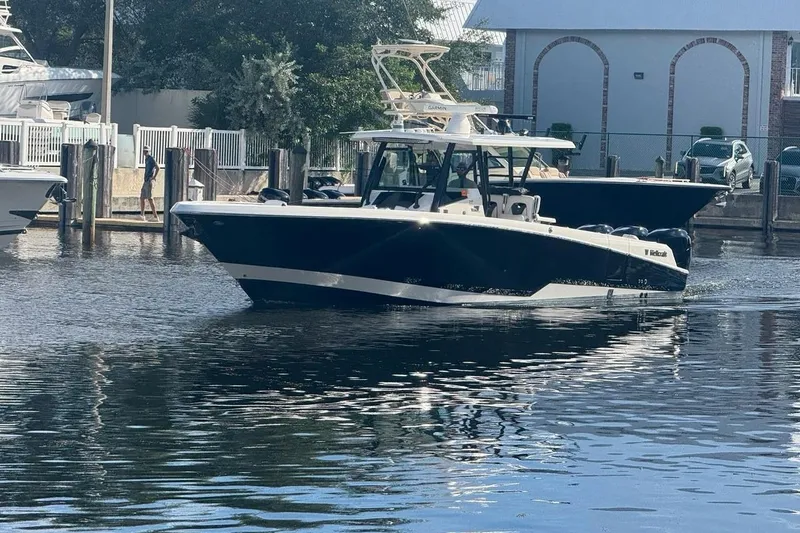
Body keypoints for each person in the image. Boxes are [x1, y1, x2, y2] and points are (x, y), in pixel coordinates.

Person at [140, 145, 160, 222]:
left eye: (147, 151)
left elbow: (158, 167)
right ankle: (142, 215)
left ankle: (155, 217)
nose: (145, 152)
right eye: (144, 151)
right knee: (142, 197)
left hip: (149, 180)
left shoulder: (151, 158)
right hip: (145, 181)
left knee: (150, 198)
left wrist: (154, 177)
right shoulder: (146, 159)